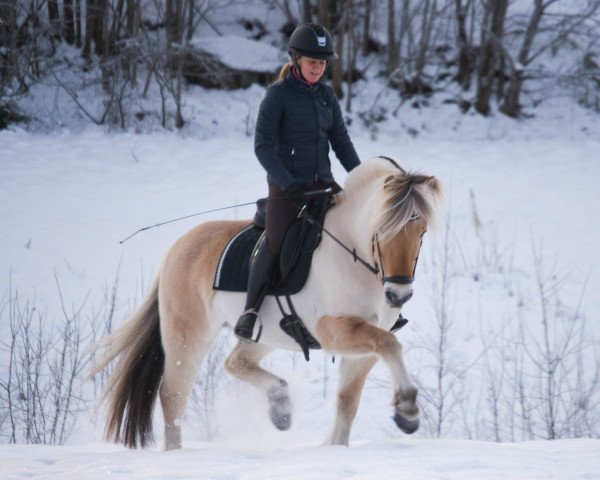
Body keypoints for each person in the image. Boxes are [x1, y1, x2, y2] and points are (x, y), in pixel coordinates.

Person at [234, 23, 361, 342]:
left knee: (358, 230)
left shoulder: (327, 96)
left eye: (322, 63)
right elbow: (262, 146)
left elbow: (341, 143)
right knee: (275, 243)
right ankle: (250, 311)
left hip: (324, 184)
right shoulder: (277, 96)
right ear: (296, 60)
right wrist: (287, 184)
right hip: (287, 189)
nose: (318, 68)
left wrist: (362, 178)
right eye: (312, 62)